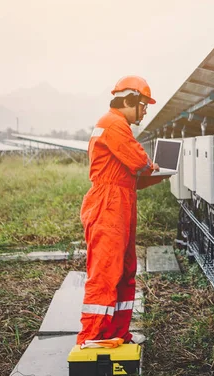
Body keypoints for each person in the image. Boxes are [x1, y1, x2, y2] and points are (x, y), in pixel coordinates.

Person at [77, 75, 167, 348]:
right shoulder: (113, 123)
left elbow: (134, 177)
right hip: (108, 204)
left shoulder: (116, 124)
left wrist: (158, 174)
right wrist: (154, 167)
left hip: (120, 201)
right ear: (129, 101)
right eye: (144, 104)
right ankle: (92, 337)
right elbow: (138, 160)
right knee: (106, 270)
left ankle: (117, 333)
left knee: (126, 269)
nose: (146, 110)